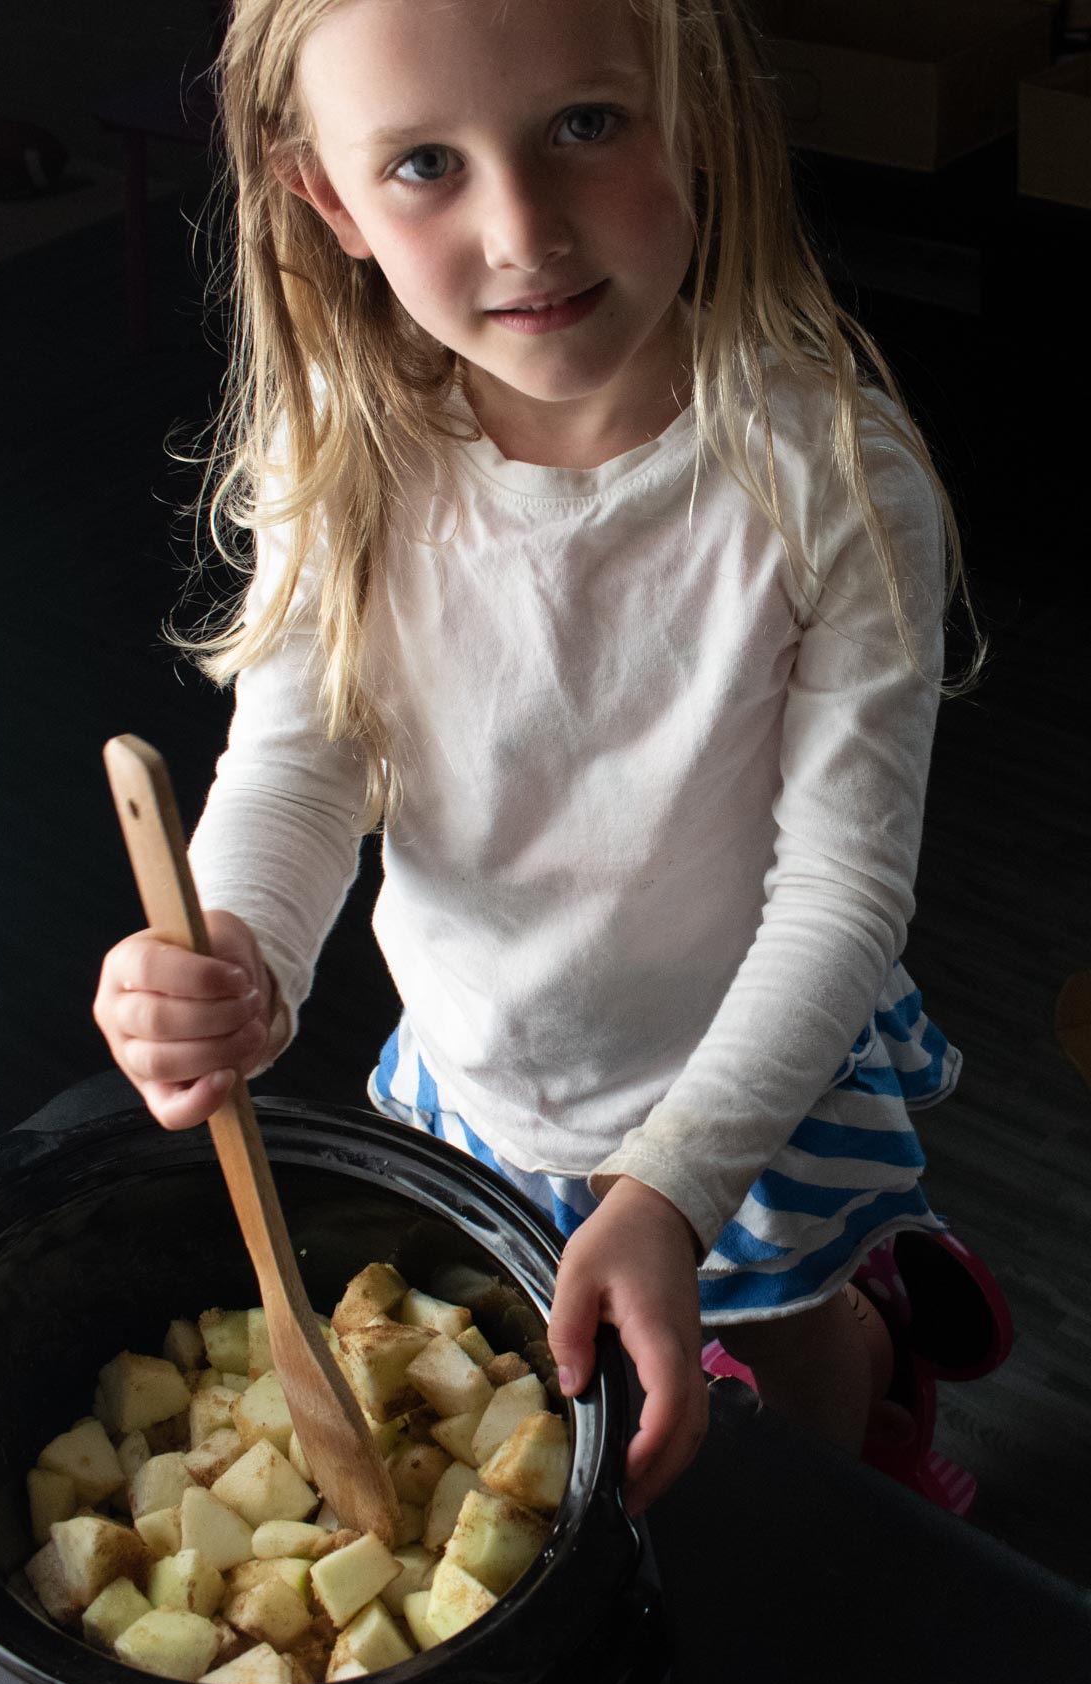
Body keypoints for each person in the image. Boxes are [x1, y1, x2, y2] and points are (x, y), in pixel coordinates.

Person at [94, 0, 996, 1515]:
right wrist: (235, 945)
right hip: (482, 1062)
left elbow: (841, 896)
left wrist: (674, 1187)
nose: (524, 231)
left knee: (785, 1340)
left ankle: (872, 1375)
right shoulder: (347, 451)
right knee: (551, 1355)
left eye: (586, 125)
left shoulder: (834, 476)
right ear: (328, 195)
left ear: (693, 108)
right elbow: (302, 765)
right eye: (428, 163)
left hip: (744, 1087)